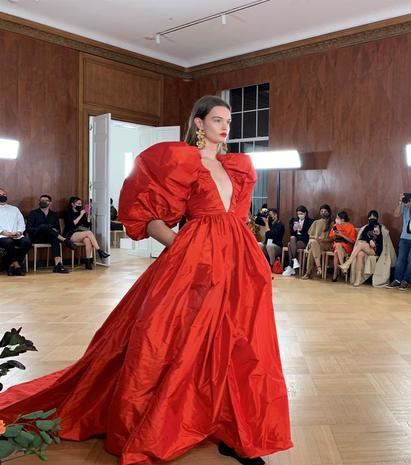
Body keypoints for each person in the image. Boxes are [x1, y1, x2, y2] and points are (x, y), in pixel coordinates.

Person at [0, 95, 293, 465]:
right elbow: (147, 213)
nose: (225, 126)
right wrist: (182, 244)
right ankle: (168, 420)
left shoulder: (235, 166)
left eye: (229, 121)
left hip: (240, 263)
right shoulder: (181, 162)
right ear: (199, 124)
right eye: (217, 119)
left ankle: (235, 429)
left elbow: (235, 218)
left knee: (241, 342)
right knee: (174, 337)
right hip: (195, 264)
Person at [339, 210, 396, 287]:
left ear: (377, 218)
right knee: (360, 254)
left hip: (375, 250)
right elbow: (363, 238)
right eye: (370, 217)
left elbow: (379, 239)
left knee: (361, 244)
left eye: (374, 217)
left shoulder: (378, 227)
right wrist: (369, 241)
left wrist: (373, 242)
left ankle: (348, 263)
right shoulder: (365, 228)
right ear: (368, 217)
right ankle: (357, 280)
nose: (372, 218)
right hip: (366, 247)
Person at [25, 194, 77, 274]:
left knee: (54, 238)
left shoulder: (53, 215)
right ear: (39, 202)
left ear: (50, 203)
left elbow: (57, 229)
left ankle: (58, 265)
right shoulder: (33, 213)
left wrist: (52, 229)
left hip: (50, 237)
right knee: (43, 226)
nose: (43, 202)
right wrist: (42, 228)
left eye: (46, 200)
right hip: (36, 237)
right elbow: (28, 228)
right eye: (42, 200)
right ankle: (65, 240)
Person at [387, 190, 411, 291]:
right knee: (400, 259)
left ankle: (405, 281)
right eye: (410, 195)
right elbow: (395, 215)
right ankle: (397, 280)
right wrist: (400, 202)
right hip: (404, 236)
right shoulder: (404, 205)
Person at [64, 196, 110, 269]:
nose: (80, 205)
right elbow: (72, 224)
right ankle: (99, 251)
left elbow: (87, 225)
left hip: (80, 233)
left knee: (87, 240)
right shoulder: (67, 213)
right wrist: (81, 215)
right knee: (88, 233)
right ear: (72, 204)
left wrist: (88, 215)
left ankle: (87, 262)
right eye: (78, 203)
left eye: (81, 203)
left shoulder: (81, 212)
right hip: (70, 233)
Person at [0, 187, 31, 276]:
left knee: (26, 242)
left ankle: (11, 265)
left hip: (16, 235)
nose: (2, 196)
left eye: (4, 195)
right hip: (2, 236)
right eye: (0, 195)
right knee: (9, 243)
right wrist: (3, 232)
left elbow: (21, 222)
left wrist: (19, 232)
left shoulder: (14, 209)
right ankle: (17, 266)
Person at [302, 204, 334, 279]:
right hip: (316, 243)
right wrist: (316, 238)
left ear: (329, 212)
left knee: (312, 249)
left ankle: (308, 273)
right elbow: (310, 235)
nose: (323, 213)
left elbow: (332, 238)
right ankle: (318, 268)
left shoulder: (331, 223)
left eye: (325, 211)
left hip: (325, 244)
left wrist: (322, 239)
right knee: (313, 243)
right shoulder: (316, 222)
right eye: (321, 211)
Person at [282, 205, 313, 276]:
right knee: (292, 238)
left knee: (290, 245)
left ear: (305, 213)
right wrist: (294, 229)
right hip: (295, 239)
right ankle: (295, 260)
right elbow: (292, 234)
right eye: (298, 214)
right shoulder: (294, 220)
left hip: (303, 240)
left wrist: (301, 230)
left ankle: (290, 266)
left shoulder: (310, 221)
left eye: (301, 214)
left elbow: (309, 234)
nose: (300, 215)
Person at [327, 210, 357, 282]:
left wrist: (342, 235)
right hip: (337, 244)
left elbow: (352, 241)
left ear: (342, 219)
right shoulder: (335, 226)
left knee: (336, 252)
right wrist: (335, 234)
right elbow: (331, 238)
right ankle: (344, 267)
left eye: (338, 218)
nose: (336, 219)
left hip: (347, 246)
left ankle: (335, 273)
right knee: (337, 246)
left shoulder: (351, 227)